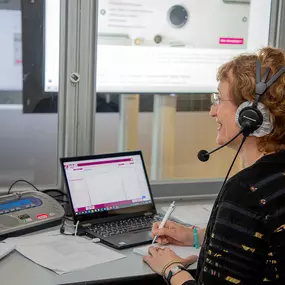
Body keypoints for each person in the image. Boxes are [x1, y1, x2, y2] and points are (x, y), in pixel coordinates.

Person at [143, 46, 285, 285]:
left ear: (251, 115)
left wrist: (171, 269)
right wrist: (197, 236)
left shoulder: (246, 191)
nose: (212, 111)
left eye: (219, 99)